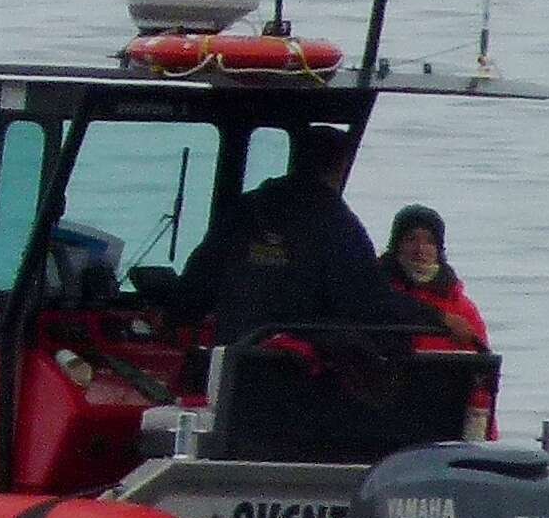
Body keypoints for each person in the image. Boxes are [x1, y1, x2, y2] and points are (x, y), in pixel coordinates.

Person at [178, 124, 427, 345]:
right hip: (301, 371)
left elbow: (199, 281)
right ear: (340, 166)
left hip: (231, 361)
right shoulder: (337, 224)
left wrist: (174, 314)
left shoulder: (244, 210)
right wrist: (440, 317)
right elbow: (369, 300)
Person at [382, 204, 491, 351]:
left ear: (439, 250)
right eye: (411, 239)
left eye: (430, 242)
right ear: (396, 246)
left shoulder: (462, 309)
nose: (420, 249)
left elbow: (485, 365)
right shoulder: (374, 292)